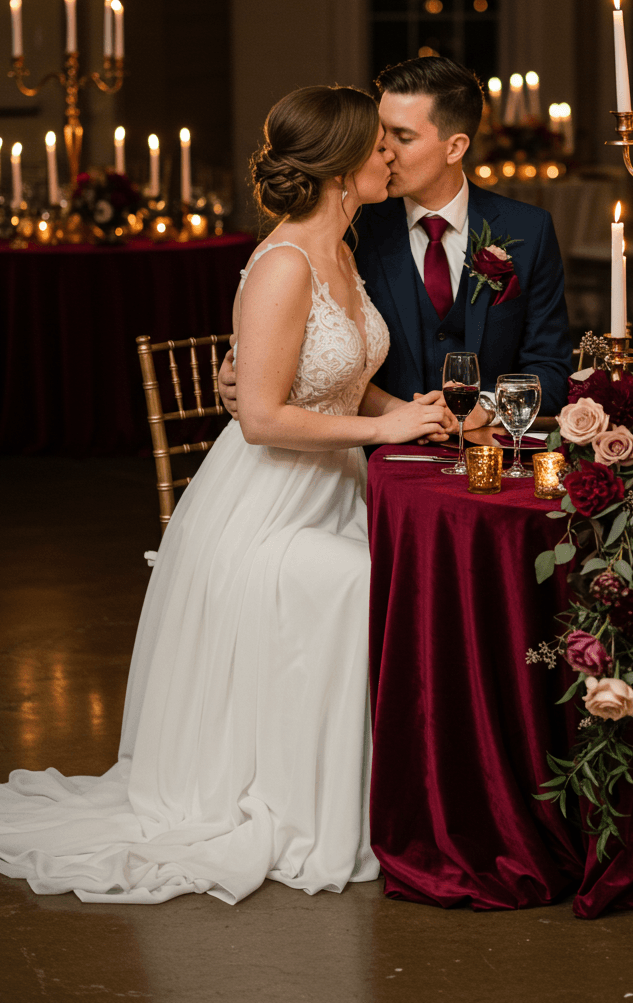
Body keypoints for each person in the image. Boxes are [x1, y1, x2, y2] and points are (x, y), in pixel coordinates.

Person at [0, 86, 450, 905]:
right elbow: (265, 420)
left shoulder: (343, 251)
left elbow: (348, 381)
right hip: (265, 511)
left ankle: (386, 799)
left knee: (411, 569)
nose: (390, 156)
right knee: (356, 583)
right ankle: (311, 809)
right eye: (378, 146)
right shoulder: (282, 266)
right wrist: (383, 436)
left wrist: (413, 413)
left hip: (330, 492)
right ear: (342, 165)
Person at [219, 56, 571, 427]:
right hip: (373, 457)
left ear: (455, 148)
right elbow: (281, 340)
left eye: (402, 138)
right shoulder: (349, 226)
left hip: (490, 453)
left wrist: (486, 409)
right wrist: (243, 372)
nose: (384, 151)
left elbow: (550, 369)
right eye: (380, 135)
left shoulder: (529, 229)